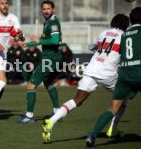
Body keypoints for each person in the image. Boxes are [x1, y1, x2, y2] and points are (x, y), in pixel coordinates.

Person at [42, 14, 130, 143]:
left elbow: (90, 47)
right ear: (126, 25)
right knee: (124, 97)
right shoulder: (124, 36)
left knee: (77, 100)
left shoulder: (104, 33)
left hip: (92, 70)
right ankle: (113, 128)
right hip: (108, 74)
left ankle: (51, 121)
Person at [85, 7, 141, 147]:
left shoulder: (124, 34)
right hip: (139, 72)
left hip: (124, 75)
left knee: (112, 109)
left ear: (131, 20)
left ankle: (92, 136)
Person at [16, 0, 62, 123]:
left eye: (48, 9)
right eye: (44, 9)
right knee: (48, 83)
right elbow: (43, 41)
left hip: (50, 59)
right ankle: (57, 112)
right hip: (53, 58)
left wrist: (39, 41)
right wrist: (26, 44)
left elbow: (55, 41)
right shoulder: (48, 22)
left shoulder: (53, 23)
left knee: (31, 85)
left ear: (53, 9)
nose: (46, 11)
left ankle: (29, 116)